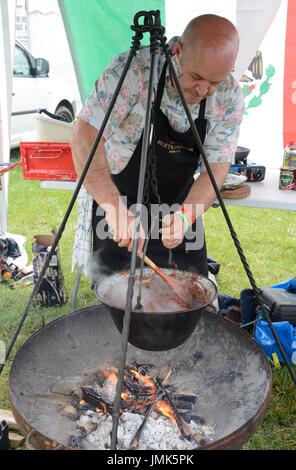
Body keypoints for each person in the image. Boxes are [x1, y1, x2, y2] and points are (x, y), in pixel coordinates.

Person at [71, 14, 244, 279]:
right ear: (177, 51)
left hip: (180, 206)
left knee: (189, 295)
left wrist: (188, 214)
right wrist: (112, 206)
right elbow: (85, 133)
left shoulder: (229, 95)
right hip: (120, 205)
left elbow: (217, 166)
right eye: (197, 77)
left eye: (214, 83)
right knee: (118, 301)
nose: (203, 90)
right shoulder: (134, 73)